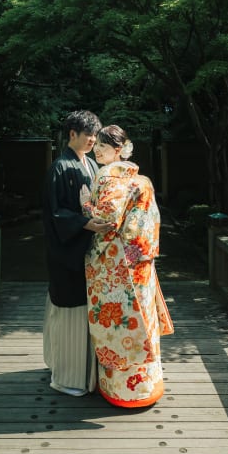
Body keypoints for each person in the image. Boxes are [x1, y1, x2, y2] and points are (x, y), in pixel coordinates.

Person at [82, 124, 172, 408]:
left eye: (104, 146)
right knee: (144, 317)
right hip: (141, 261)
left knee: (118, 325)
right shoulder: (142, 180)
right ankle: (147, 386)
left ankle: (122, 391)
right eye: (97, 145)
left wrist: (85, 205)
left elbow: (107, 220)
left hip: (117, 265)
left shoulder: (110, 176)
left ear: (119, 150)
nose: (97, 151)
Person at [41, 110, 113, 397]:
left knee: (88, 311)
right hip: (67, 253)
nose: (93, 140)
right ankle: (68, 376)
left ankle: (88, 375)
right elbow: (56, 213)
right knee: (70, 311)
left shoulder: (92, 164)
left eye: (95, 135)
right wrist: (85, 223)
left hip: (87, 249)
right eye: (88, 135)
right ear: (73, 134)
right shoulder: (59, 167)